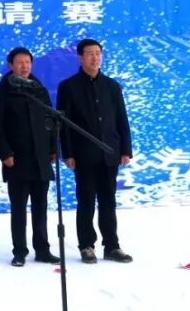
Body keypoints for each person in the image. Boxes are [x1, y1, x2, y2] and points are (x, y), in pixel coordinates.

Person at [56, 38, 133, 264]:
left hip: (110, 152)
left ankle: (112, 246)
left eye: (98, 53)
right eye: (90, 53)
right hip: (83, 154)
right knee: (86, 201)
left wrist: (125, 149)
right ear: (80, 57)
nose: (95, 57)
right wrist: (68, 153)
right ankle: (86, 246)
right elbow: (64, 124)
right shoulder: (68, 86)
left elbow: (121, 119)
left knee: (108, 201)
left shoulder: (112, 86)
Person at [0, 47, 61, 267]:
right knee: (19, 209)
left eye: (28, 62)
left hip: (41, 158)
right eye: (20, 62)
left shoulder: (39, 90)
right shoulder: (1, 93)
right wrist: (5, 153)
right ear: (11, 65)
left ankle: (42, 249)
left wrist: (52, 149)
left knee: (40, 207)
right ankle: (19, 251)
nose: (24, 66)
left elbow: (50, 121)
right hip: (17, 159)